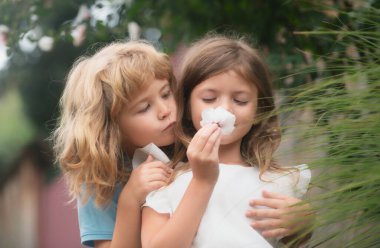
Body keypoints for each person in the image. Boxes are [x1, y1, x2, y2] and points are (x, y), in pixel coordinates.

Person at [141, 34, 313, 247]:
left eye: (240, 100)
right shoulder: (167, 181)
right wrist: (202, 181)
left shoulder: (274, 179)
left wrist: (304, 223)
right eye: (209, 99)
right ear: (186, 106)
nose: (225, 109)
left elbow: (293, 241)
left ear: (258, 109)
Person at [52, 40, 177, 248]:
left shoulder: (191, 143)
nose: (165, 110)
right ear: (111, 127)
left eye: (166, 93)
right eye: (145, 107)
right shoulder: (98, 181)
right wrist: (130, 199)